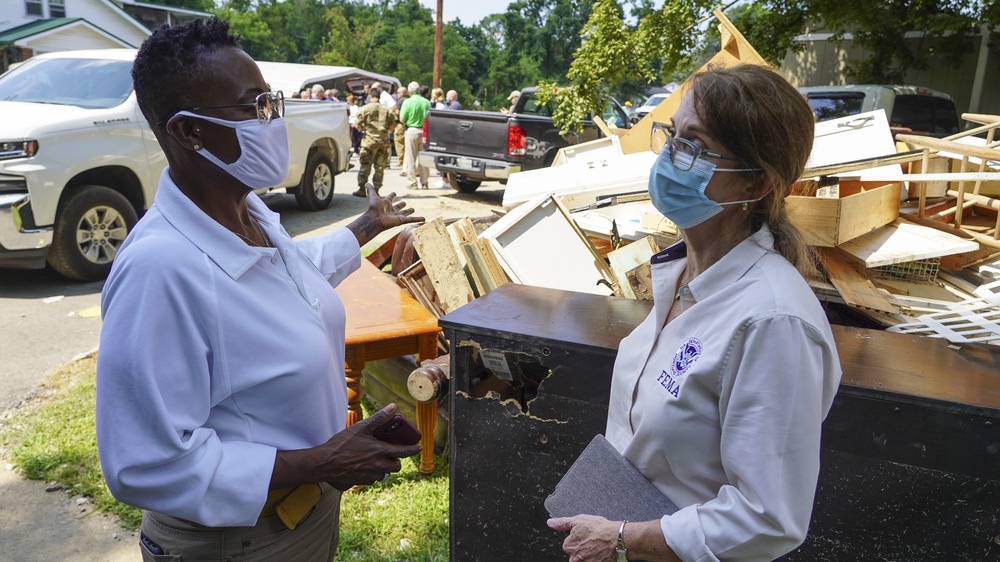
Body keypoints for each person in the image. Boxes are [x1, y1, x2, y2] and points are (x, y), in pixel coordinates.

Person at [97, 19, 424, 562]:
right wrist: (320, 461)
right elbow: (144, 463)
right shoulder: (160, 268)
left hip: (302, 516)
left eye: (270, 101)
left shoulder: (247, 210)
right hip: (237, 542)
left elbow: (289, 273)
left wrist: (366, 228)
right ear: (189, 131)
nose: (272, 121)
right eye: (254, 107)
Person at [547, 64, 842, 562]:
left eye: (694, 146)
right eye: (672, 135)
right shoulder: (680, 275)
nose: (668, 157)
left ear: (755, 185)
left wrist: (621, 539)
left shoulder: (772, 322)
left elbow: (769, 518)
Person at [354, 89, 397, 197]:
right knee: (380, 167)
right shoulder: (387, 110)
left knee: (365, 165)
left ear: (370, 96)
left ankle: (362, 189)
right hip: (383, 142)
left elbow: (357, 125)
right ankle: (376, 190)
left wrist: (366, 127)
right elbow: (392, 127)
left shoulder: (364, 109)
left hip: (368, 142)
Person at [399, 84, 431, 189]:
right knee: (424, 158)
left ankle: (412, 182)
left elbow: (402, 119)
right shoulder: (427, 102)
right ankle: (425, 182)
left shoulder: (407, 102)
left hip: (412, 130)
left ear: (409, 91)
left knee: (411, 158)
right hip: (425, 131)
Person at [393, 85, 409, 168]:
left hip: (400, 124)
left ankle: (400, 160)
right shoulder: (409, 100)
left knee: (399, 142)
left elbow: (397, 112)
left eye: (398, 92)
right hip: (408, 125)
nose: (397, 94)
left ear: (403, 93)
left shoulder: (400, 101)